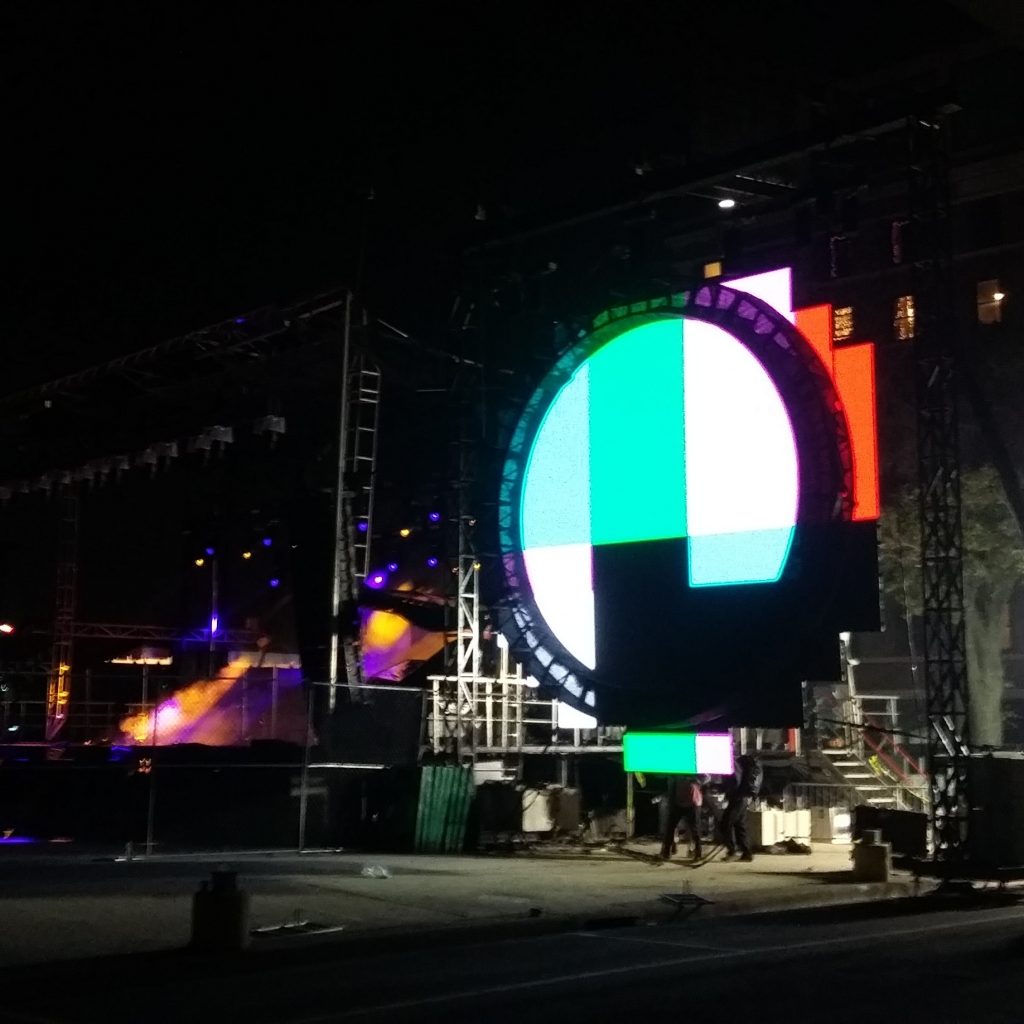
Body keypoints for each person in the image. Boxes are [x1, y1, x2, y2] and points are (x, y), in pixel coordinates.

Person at [720, 753, 762, 862]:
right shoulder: (736, 763)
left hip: (738, 798)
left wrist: (724, 789)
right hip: (742, 797)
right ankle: (747, 853)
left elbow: (735, 782)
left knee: (725, 823)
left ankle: (732, 851)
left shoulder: (732, 765)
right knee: (739, 826)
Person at [660, 774, 704, 860]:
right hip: (678, 801)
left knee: (695, 829)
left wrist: (695, 780)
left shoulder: (694, 768)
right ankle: (666, 851)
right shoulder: (677, 768)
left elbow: (706, 777)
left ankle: (698, 852)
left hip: (693, 802)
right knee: (670, 827)